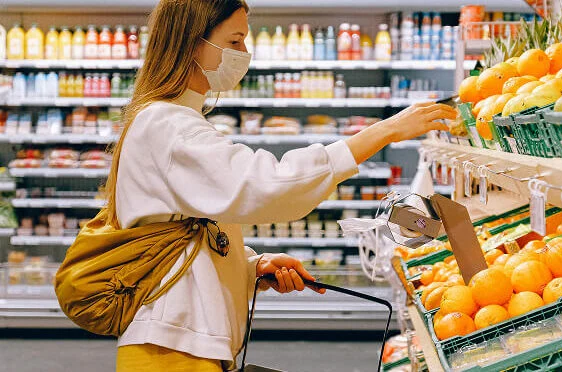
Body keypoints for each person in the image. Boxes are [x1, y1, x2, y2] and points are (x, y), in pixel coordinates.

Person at [112, 0, 456, 370]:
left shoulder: (174, 119)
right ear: (192, 43)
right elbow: (266, 185)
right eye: (235, 41)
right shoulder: (167, 125)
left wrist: (250, 266)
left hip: (184, 339)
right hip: (171, 348)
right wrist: (384, 131)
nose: (244, 54)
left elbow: (184, 233)